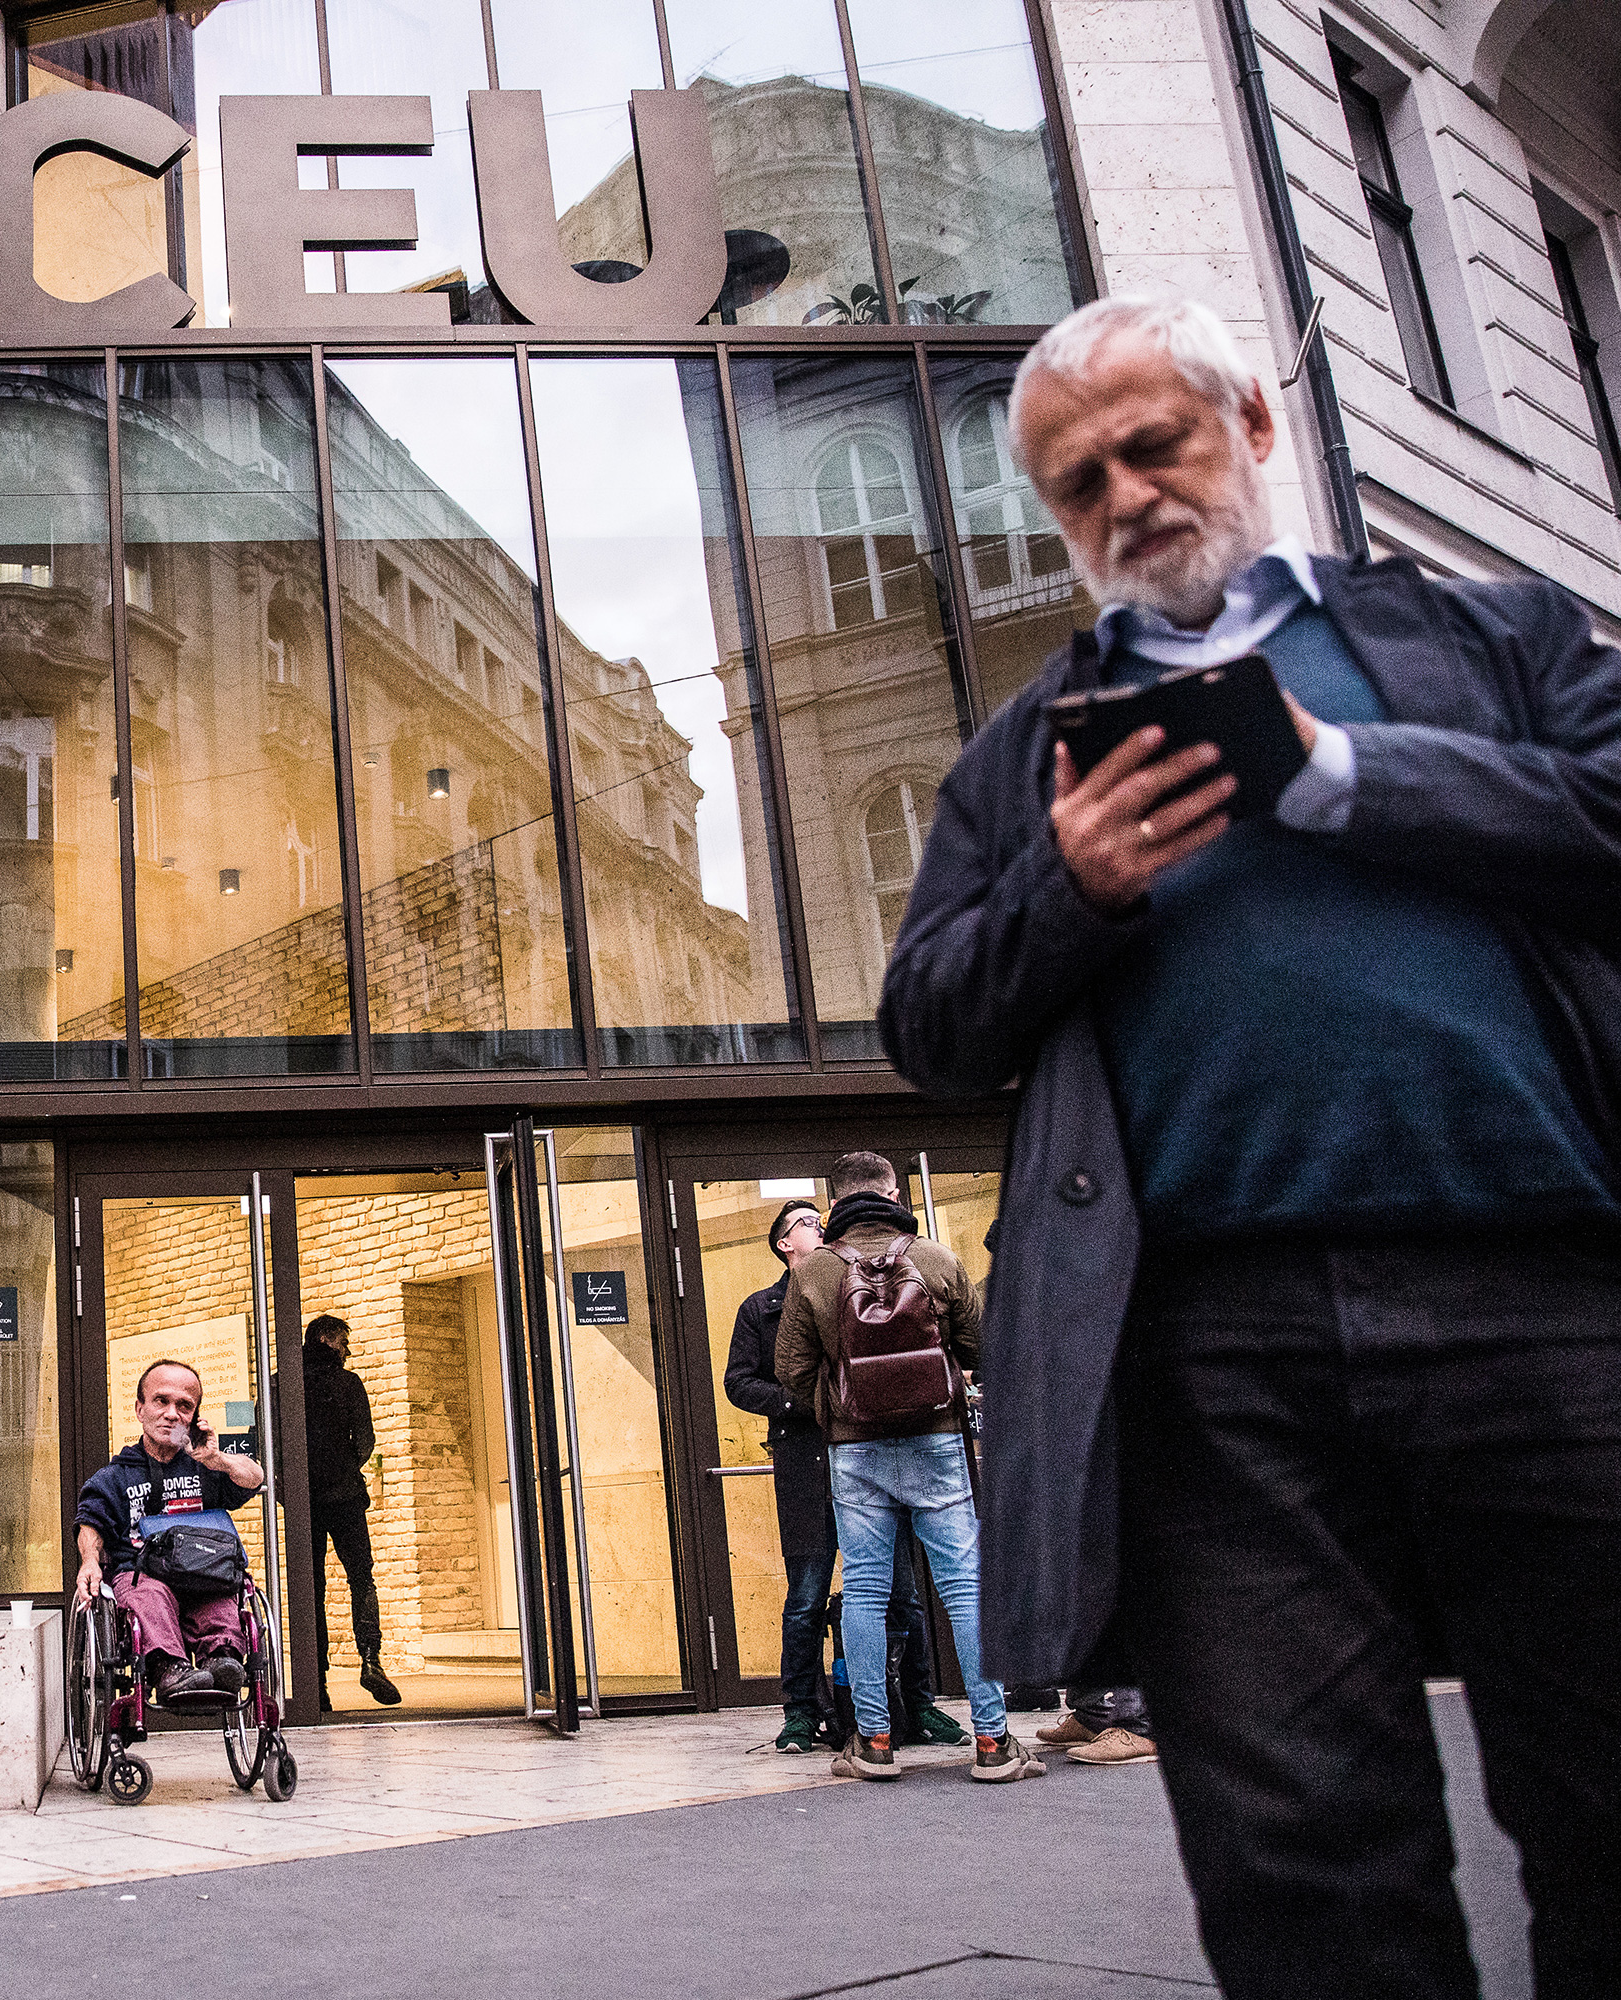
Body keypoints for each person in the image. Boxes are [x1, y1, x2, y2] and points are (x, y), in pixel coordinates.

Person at [880, 293, 1621, 1996]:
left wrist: (1338, 768)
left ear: (1255, 427)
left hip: (1551, 1298)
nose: (1128, 497)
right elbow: (932, 1025)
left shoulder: (1480, 640)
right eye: (1081, 484)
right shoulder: (1020, 760)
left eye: (1158, 445)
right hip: (1214, 1357)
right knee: (1303, 1866)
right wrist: (1073, 889)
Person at [775, 1152, 1041, 1785]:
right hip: (936, 1441)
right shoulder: (936, 1259)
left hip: (855, 1447)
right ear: (893, 1192)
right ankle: (993, 1743)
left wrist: (840, 1404)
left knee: (865, 1589)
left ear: (832, 1202)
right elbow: (979, 1347)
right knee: (962, 1585)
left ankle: (873, 1742)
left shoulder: (812, 1273)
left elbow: (790, 1368)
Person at [724, 1199, 961, 1754]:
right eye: (806, 1223)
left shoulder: (865, 1290)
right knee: (806, 1596)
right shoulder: (761, 1308)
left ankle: (919, 1704)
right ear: (784, 1244)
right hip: (808, 1461)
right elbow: (739, 1382)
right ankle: (800, 1713)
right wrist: (807, 1401)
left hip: (870, 1453)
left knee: (902, 1590)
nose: (818, 1227)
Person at [75, 1358, 266, 1706]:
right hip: (141, 1576)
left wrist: (216, 1460)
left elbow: (255, 1478)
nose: (171, 1413)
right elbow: (91, 1525)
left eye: (184, 1406)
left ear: (194, 1416)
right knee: (150, 1595)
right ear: (140, 1409)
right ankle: (169, 1669)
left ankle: (221, 1661)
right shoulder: (113, 1477)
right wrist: (90, 1562)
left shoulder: (205, 1466)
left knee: (220, 1596)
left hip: (201, 1572)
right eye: (161, 1401)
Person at [296, 1316, 398, 1708]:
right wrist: (343, 1471)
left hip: (306, 1502)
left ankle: (316, 1681)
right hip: (345, 1497)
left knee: (311, 1589)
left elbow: (269, 1444)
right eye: (342, 1340)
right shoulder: (349, 1384)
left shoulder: (280, 1382)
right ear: (325, 1338)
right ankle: (371, 1662)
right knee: (362, 1579)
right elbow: (366, 1441)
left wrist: (295, 1488)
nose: (346, 1349)